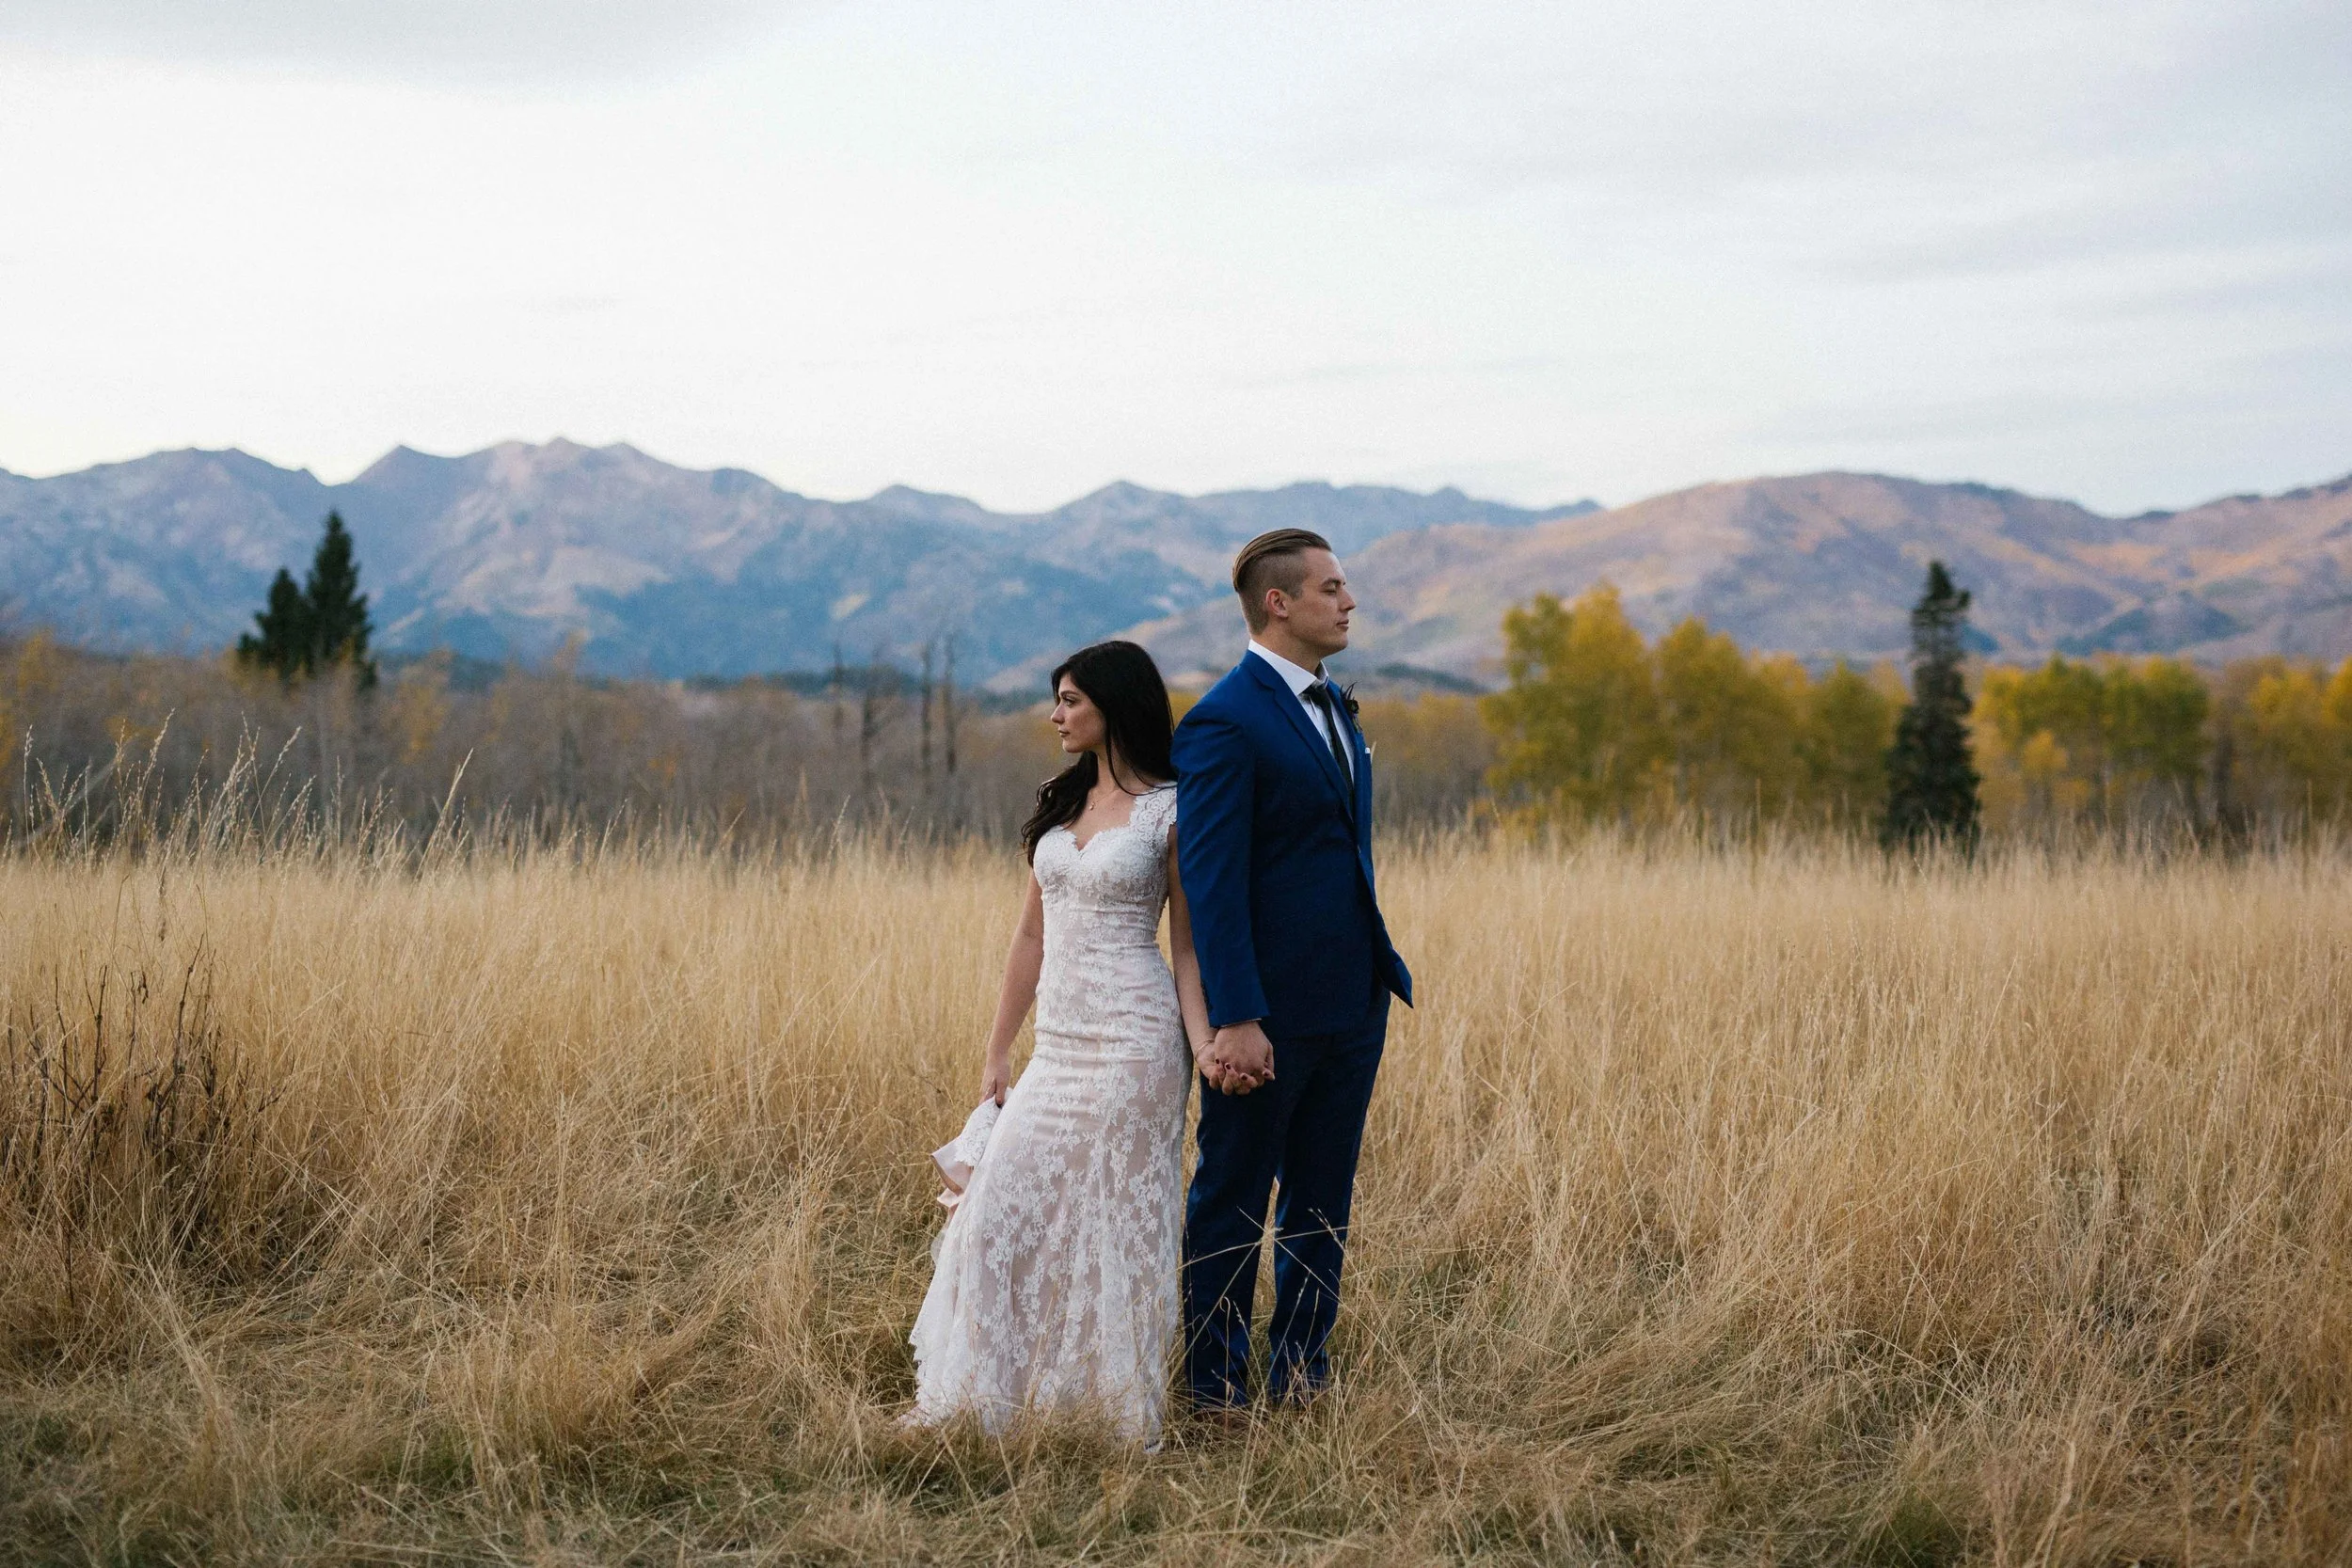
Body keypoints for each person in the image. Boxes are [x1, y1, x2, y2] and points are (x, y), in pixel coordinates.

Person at [907, 640, 1213, 1445]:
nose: (1056, 714)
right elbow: (1029, 935)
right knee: (998, 1205)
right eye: (1056, 699)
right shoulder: (1060, 801)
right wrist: (997, 1049)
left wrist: (1205, 1045)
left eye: (1071, 699)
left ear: (1114, 704)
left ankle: (1101, 1413)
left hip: (1137, 1042)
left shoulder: (1172, 809)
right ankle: (994, 1399)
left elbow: (1185, 947)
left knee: (1108, 1218)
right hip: (1060, 1044)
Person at [1173, 528, 1413, 1415]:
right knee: (1232, 1196)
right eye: (1333, 587)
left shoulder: (1334, 706)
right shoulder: (1222, 720)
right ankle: (1213, 1384)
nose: (1349, 602)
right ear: (1280, 602)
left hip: (1353, 1003)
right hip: (1265, 1014)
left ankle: (1302, 1373)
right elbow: (1212, 880)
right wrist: (1237, 1014)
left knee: (1322, 1198)